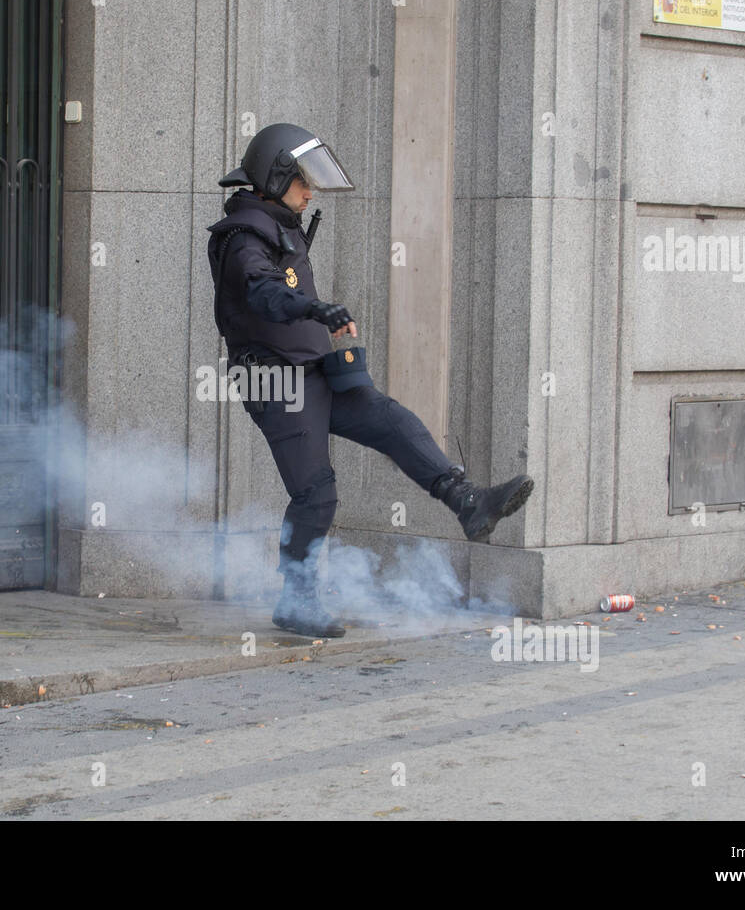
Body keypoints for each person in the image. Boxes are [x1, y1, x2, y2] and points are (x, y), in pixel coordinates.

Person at [206, 122, 534, 638]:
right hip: (276, 381)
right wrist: (315, 306)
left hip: (313, 372)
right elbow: (262, 293)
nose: (310, 191)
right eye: (302, 182)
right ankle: (296, 601)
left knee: (390, 419)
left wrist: (326, 325)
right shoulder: (244, 236)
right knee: (316, 494)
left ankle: (467, 502)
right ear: (275, 177)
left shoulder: (279, 224)